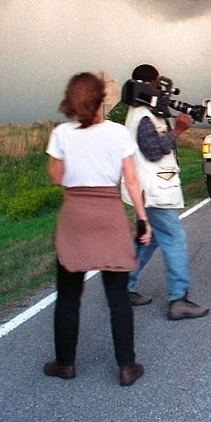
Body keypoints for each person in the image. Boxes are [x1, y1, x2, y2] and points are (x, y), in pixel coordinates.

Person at [44, 72, 152, 387]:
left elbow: (56, 177)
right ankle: (127, 366)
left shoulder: (61, 133)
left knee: (68, 294)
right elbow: (130, 180)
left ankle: (65, 363)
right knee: (117, 296)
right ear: (101, 99)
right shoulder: (118, 133)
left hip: (75, 213)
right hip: (109, 213)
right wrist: (142, 219)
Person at [121, 64, 209, 320]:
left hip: (150, 189)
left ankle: (123, 287)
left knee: (150, 239)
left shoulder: (145, 112)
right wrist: (178, 130)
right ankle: (178, 299)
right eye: (157, 82)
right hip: (154, 190)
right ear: (149, 84)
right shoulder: (142, 116)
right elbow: (153, 151)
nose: (161, 87)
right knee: (174, 238)